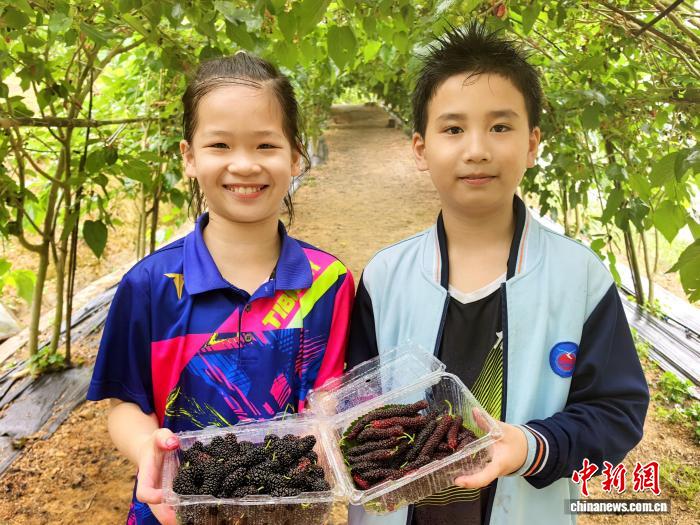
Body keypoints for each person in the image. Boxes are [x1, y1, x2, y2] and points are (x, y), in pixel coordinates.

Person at [346, 23, 648, 525]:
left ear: (532, 145)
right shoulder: (385, 277)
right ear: (421, 149)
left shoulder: (580, 279)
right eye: (453, 129)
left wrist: (531, 446)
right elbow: (357, 406)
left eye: (500, 127)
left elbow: (617, 412)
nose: (477, 149)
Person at [87, 53, 354, 525]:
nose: (244, 164)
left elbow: (327, 396)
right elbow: (127, 404)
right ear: (189, 157)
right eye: (220, 145)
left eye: (266, 145)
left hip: (285, 512)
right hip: (173, 511)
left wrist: (324, 445)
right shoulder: (148, 286)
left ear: (295, 156)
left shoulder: (328, 282)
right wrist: (148, 447)